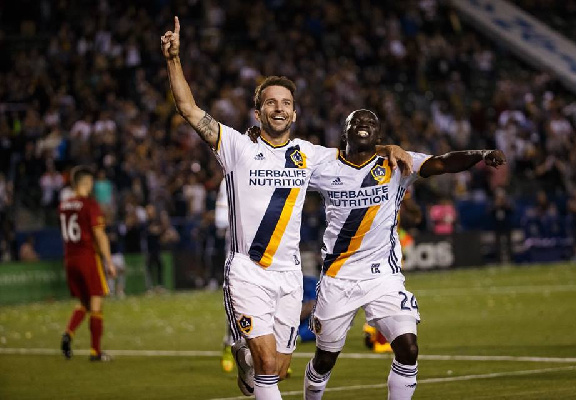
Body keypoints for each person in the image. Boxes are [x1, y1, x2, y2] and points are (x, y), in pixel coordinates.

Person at [160, 17, 411, 399]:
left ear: (294, 114)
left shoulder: (308, 154)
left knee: (277, 368)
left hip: (290, 276)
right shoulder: (237, 147)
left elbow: (354, 155)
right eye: (271, 102)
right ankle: (250, 355)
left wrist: (387, 148)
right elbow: (189, 109)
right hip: (248, 271)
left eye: (286, 104)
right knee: (266, 365)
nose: (279, 108)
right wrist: (174, 59)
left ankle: (244, 358)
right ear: (257, 112)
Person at [303, 109, 506, 400]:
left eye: (371, 123)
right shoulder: (324, 165)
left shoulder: (397, 164)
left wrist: (481, 153)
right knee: (324, 360)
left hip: (383, 277)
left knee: (408, 348)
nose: (363, 125)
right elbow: (286, 170)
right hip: (339, 278)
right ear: (344, 132)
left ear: (379, 136)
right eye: (356, 122)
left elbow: (442, 163)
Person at [59, 166, 116, 362]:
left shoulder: (64, 205)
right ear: (86, 183)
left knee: (83, 302)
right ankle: (95, 352)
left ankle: (68, 333)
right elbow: (99, 235)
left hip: (70, 259)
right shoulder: (90, 205)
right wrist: (109, 262)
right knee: (96, 301)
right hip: (87, 257)